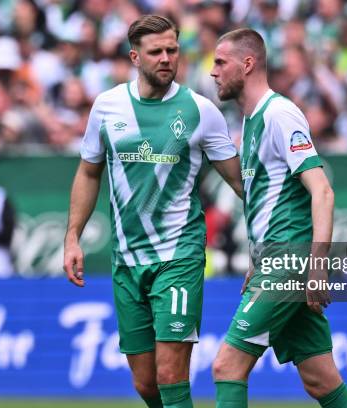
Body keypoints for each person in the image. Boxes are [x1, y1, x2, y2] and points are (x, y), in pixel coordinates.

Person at [63, 15, 242, 408]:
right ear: (134, 56)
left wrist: (277, 232)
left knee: (169, 374)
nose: (166, 58)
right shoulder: (107, 107)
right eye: (156, 51)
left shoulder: (200, 111)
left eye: (172, 50)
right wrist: (73, 237)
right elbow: (88, 172)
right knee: (146, 383)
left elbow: (241, 183)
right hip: (127, 260)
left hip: (178, 256)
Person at [210, 29, 347, 407]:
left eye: (220, 62)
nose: (212, 72)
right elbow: (270, 202)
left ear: (247, 64)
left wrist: (315, 264)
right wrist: (257, 258)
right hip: (275, 259)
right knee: (320, 380)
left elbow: (322, 191)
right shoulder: (250, 122)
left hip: (289, 260)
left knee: (227, 367)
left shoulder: (280, 114)